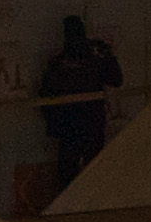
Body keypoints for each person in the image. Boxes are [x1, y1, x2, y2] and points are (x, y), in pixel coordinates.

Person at [34, 11, 124, 187]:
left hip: (74, 125)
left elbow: (45, 93)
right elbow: (116, 79)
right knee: (87, 171)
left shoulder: (60, 62)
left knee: (74, 173)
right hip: (83, 124)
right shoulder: (90, 58)